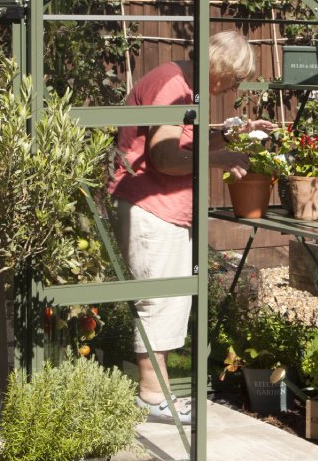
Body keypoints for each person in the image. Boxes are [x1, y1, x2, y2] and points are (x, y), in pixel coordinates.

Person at [108, 31, 274, 424]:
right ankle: (152, 396)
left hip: (163, 209)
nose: (233, 87)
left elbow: (184, 141)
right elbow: (165, 157)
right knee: (159, 300)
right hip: (150, 206)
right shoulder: (173, 87)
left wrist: (230, 135)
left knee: (170, 300)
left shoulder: (186, 86)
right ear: (220, 68)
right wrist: (220, 157)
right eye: (234, 78)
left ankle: (156, 393)